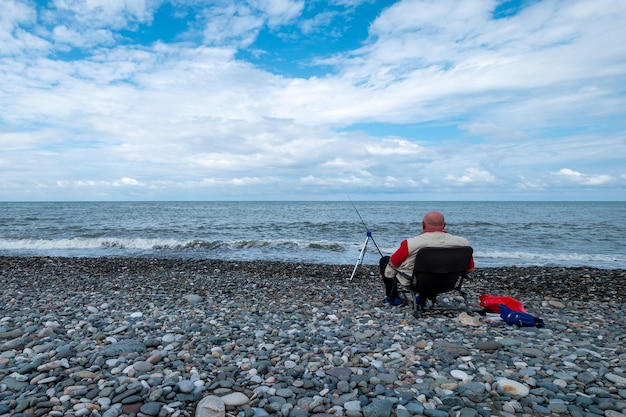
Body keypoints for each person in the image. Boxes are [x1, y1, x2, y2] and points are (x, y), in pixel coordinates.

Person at [379, 211, 474, 306]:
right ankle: (423, 298)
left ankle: (393, 298)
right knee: (435, 268)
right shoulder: (463, 243)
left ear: (423, 224)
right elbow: (469, 269)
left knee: (385, 260)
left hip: (418, 284)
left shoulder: (410, 243)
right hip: (447, 284)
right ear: (444, 225)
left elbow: (393, 263)